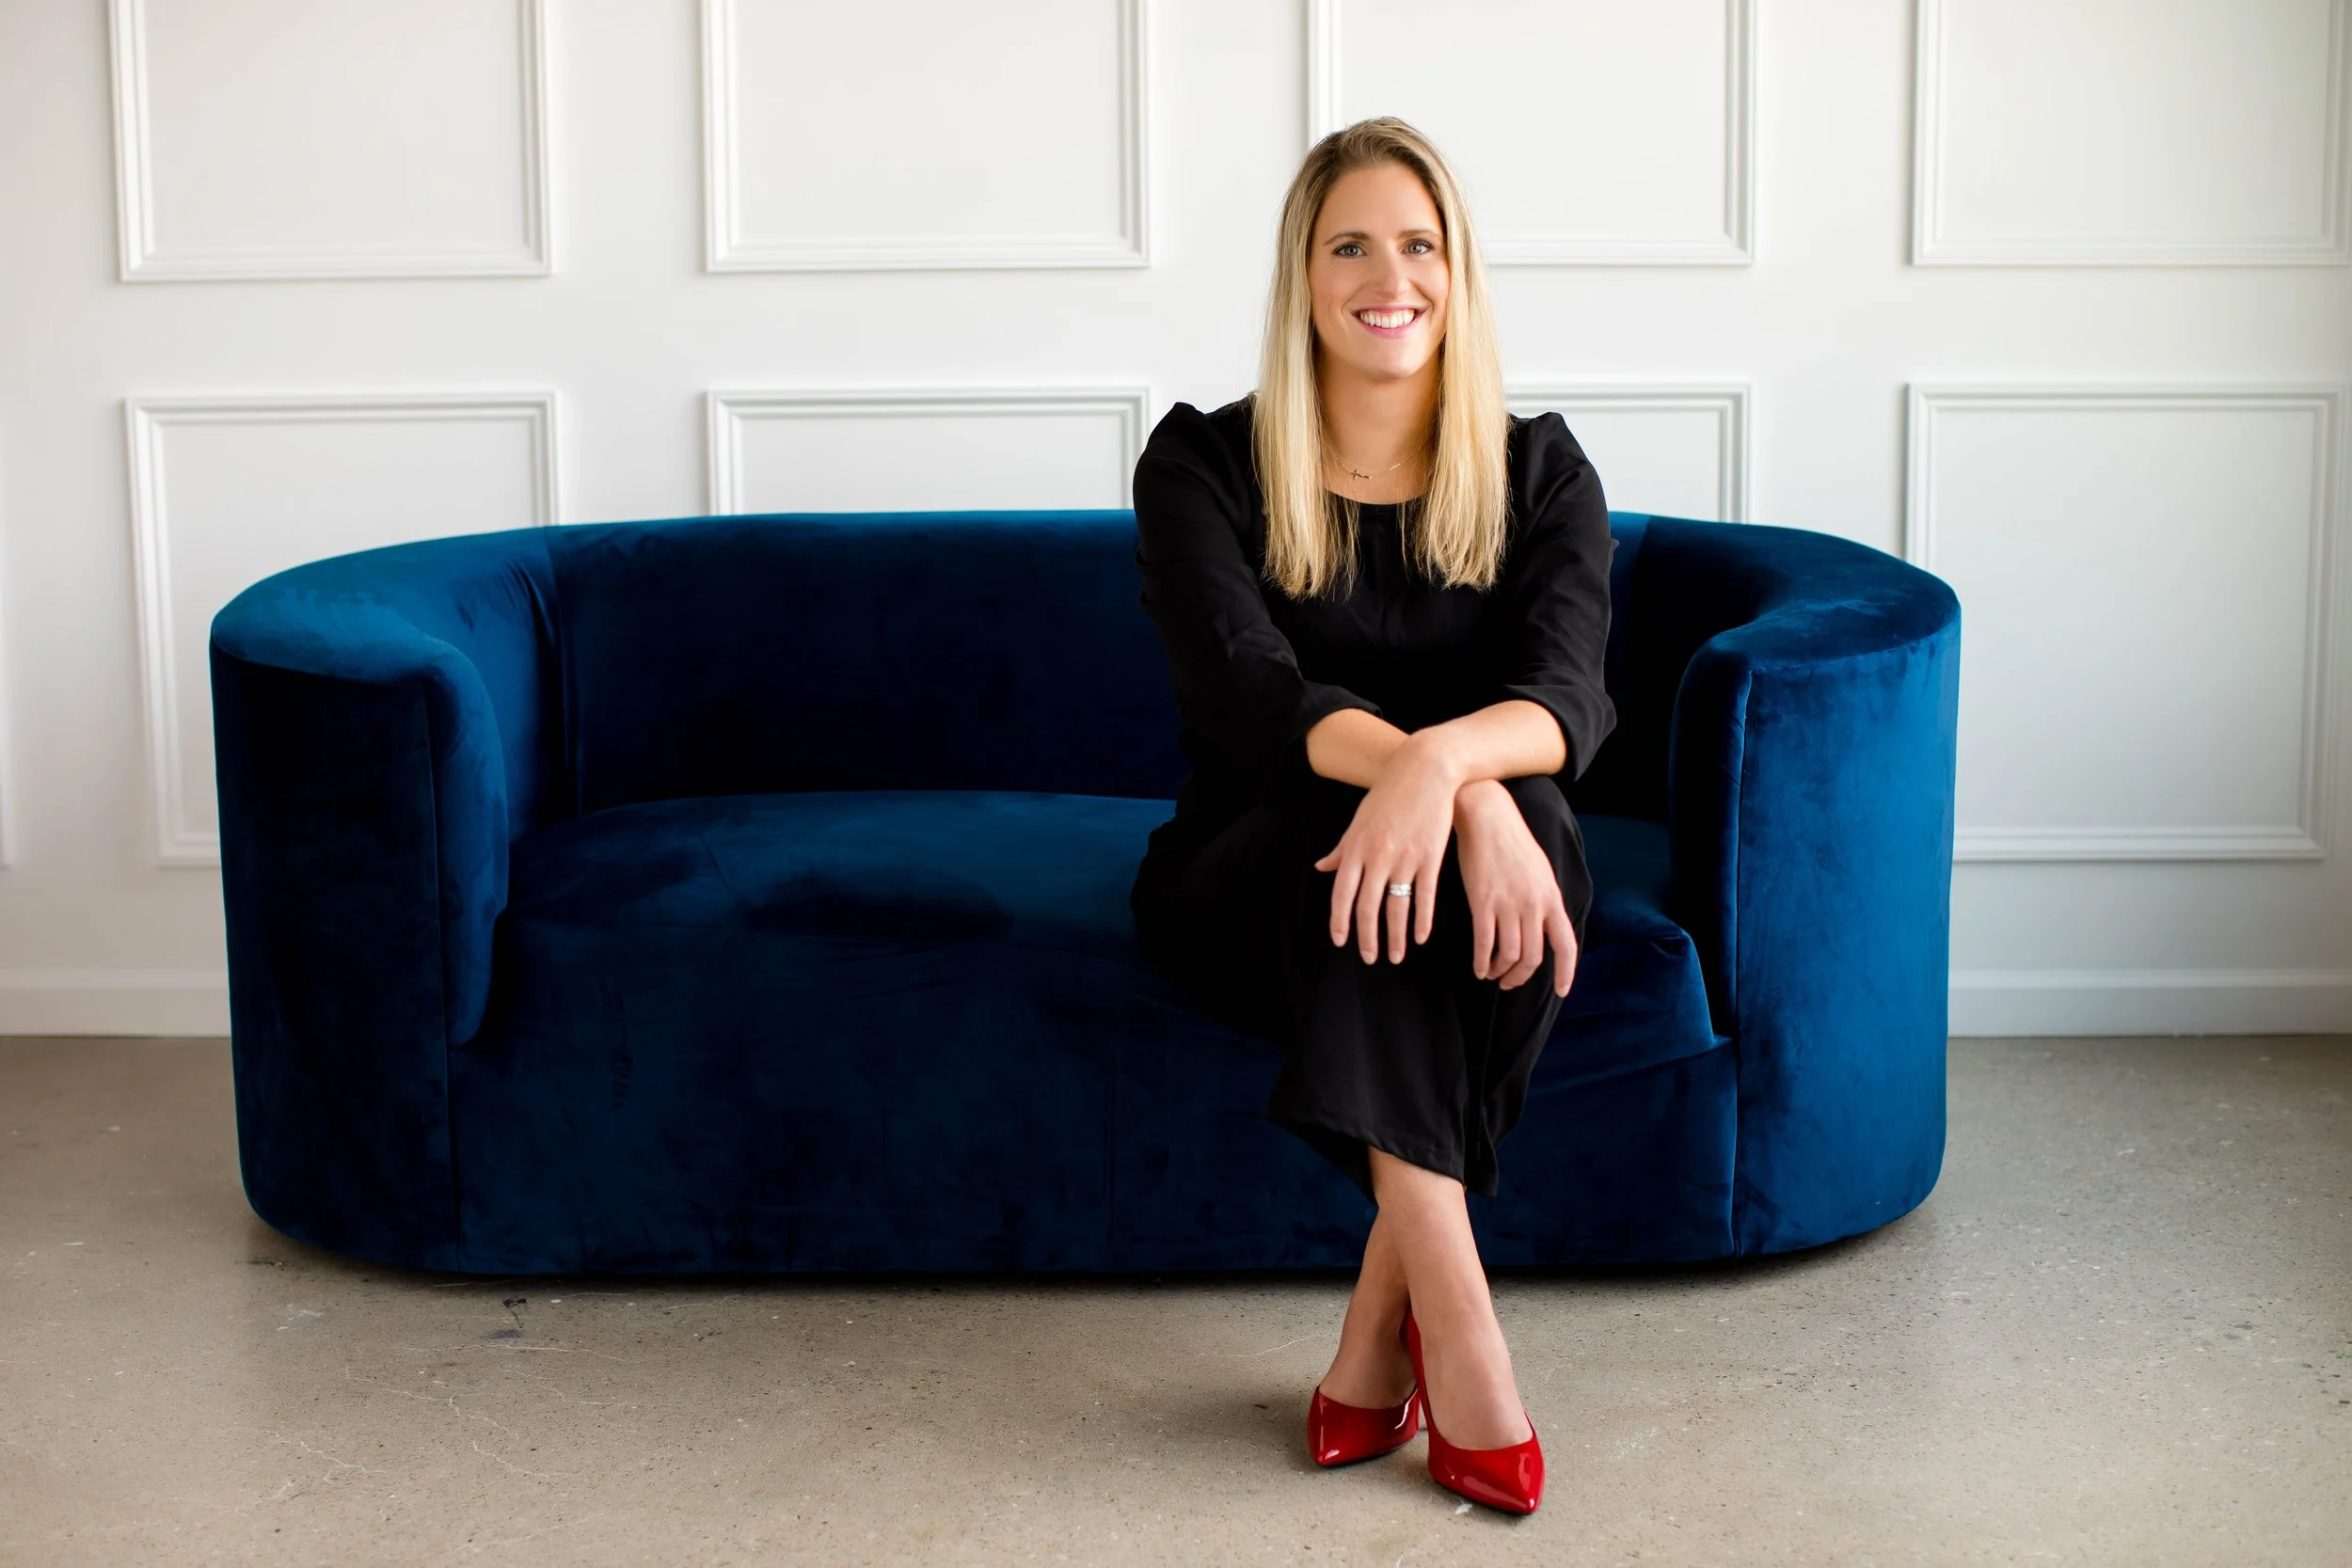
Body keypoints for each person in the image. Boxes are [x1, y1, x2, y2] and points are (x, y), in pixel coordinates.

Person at [1126, 117, 1614, 1516]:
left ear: (1456, 274)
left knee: (1525, 844)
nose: (1385, 274)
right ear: (1303, 274)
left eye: (1418, 243)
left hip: (1466, 863)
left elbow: (1568, 696)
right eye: (1350, 244)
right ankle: (1461, 1325)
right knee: (1369, 864)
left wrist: (1444, 782)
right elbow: (1246, 700)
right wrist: (1441, 792)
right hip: (1248, 865)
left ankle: (1371, 1338)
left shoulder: (1539, 472)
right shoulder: (1204, 467)